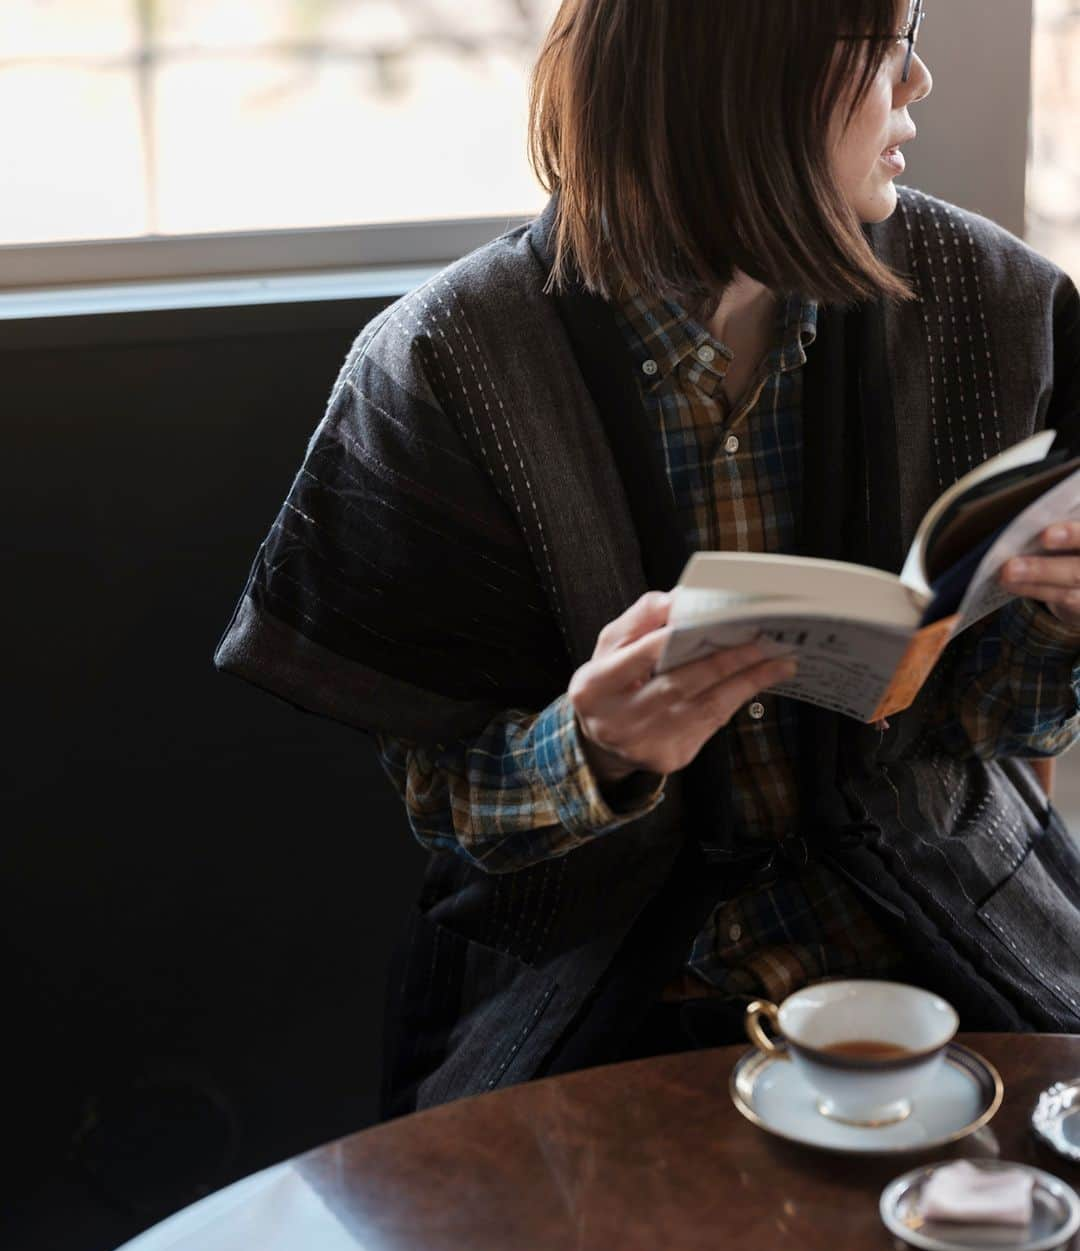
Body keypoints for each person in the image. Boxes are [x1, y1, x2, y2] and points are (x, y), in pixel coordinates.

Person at [214, 0, 1080, 1118]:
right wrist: (598, 749)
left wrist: (1060, 623)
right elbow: (445, 805)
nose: (917, 83)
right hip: (607, 998)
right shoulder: (446, 366)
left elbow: (997, 741)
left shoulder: (994, 307)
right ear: (737, 82)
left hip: (947, 954)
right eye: (884, 45)